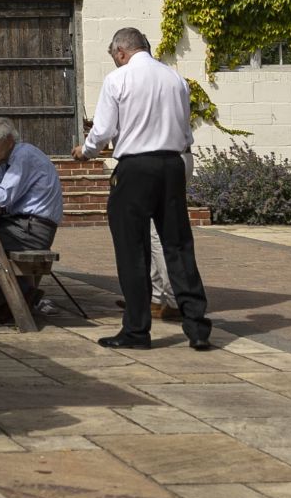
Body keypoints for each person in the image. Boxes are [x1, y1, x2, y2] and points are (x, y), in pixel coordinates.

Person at [75, 28, 212, 350]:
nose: (116, 61)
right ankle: (198, 327)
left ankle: (137, 330)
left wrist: (87, 150)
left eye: (114, 56)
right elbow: (182, 124)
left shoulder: (118, 79)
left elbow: (104, 130)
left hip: (136, 167)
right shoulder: (175, 78)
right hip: (173, 163)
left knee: (132, 250)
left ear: (121, 52)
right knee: (178, 246)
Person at [0, 118, 64, 321]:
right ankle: (15, 297)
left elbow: (2, 197)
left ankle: (15, 298)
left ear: (8, 138)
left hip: (32, 229)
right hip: (22, 225)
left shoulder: (23, 155)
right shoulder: (8, 162)